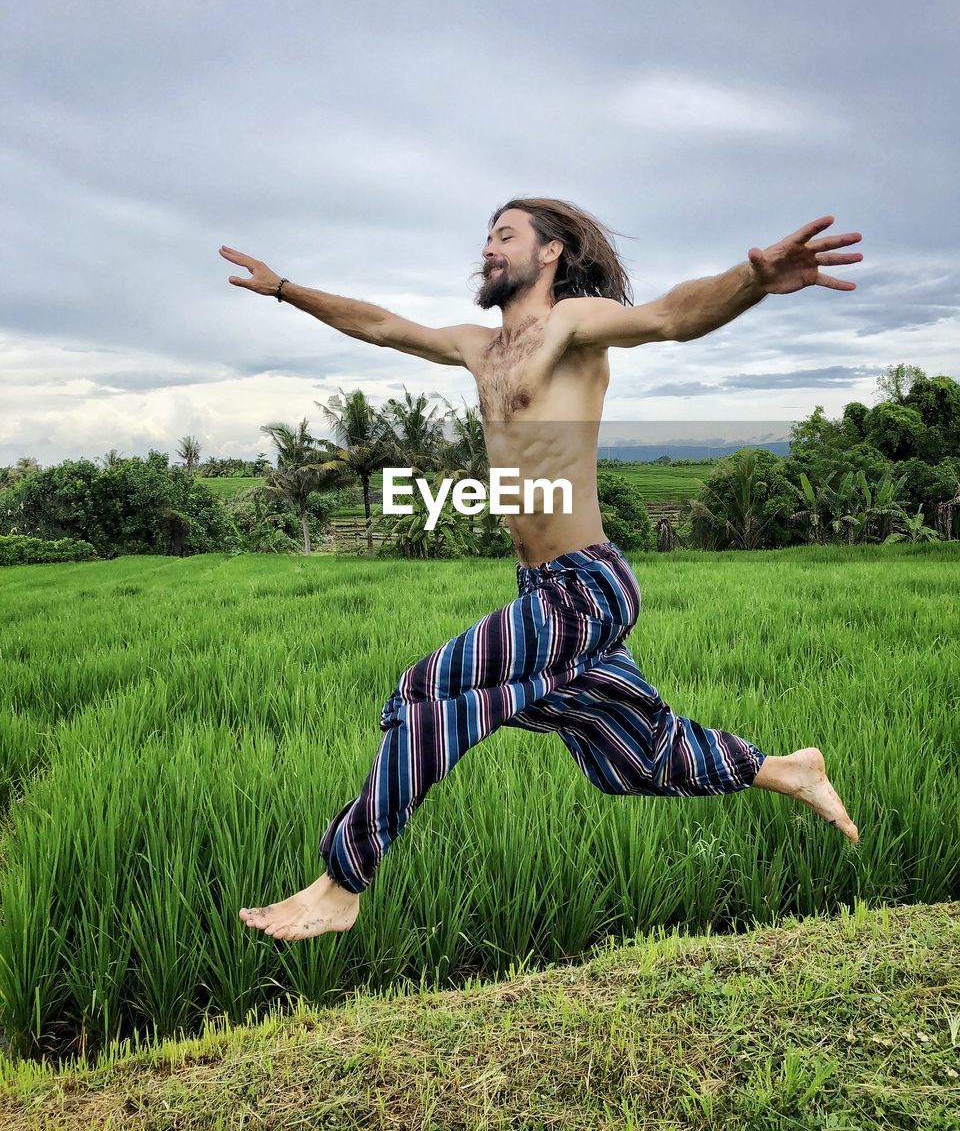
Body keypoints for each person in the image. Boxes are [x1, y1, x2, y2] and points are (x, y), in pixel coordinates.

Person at [225, 198, 862, 942]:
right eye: (486, 238)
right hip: (540, 588)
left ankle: (342, 882)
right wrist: (283, 289)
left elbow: (669, 317)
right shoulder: (479, 347)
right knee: (630, 756)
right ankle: (789, 770)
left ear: (551, 252)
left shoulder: (571, 325)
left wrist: (751, 282)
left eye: (505, 236)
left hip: (584, 585)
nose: (488, 249)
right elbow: (382, 325)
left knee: (428, 690)